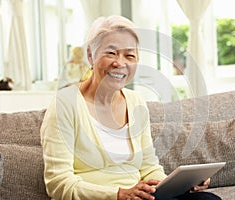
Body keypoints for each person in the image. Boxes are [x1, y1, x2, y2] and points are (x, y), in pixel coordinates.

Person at [40, 15, 221, 200]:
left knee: (207, 199)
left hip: (138, 197)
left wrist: (180, 185)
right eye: (110, 53)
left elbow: (149, 168)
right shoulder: (64, 104)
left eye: (129, 55)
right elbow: (58, 184)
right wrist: (118, 194)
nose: (120, 63)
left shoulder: (136, 102)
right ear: (90, 55)